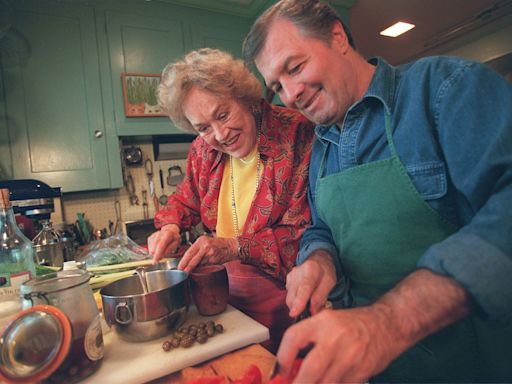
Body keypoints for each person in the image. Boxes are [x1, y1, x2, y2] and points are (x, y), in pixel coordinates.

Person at [243, 0, 512, 382]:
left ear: (337, 36)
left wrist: (387, 323)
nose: (291, 95)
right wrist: (319, 259)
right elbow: (322, 228)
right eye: (277, 86)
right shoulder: (321, 146)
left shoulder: (445, 89)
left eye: (295, 68)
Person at [147, 48, 315, 353]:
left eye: (223, 115)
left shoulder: (297, 133)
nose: (220, 135)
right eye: (203, 127)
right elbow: (186, 198)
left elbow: (303, 236)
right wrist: (170, 226)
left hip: (286, 303)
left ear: (245, 98)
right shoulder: (203, 150)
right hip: (226, 302)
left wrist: (233, 247)